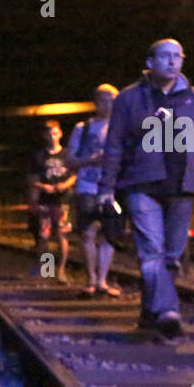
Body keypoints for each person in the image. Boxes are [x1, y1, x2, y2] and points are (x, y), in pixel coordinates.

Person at [97, 39, 194, 337]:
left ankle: (149, 311)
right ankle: (169, 312)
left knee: (171, 255)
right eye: (164, 56)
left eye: (177, 56)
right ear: (150, 62)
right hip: (141, 185)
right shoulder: (129, 98)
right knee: (152, 251)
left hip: (181, 185)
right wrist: (107, 186)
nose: (171, 62)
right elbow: (115, 144)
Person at [65, 84, 122, 297]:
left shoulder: (123, 127)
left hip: (114, 187)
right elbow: (70, 160)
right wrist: (91, 160)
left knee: (110, 234)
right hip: (88, 186)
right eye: (106, 100)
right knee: (88, 232)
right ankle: (89, 278)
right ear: (96, 102)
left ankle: (102, 281)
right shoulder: (83, 128)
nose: (110, 104)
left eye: (114, 100)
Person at [28, 120, 77, 281]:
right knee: (44, 236)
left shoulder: (68, 154)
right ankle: (47, 269)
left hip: (63, 200)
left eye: (55, 133)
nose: (52, 137)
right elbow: (32, 179)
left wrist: (65, 184)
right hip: (45, 200)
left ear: (60, 134)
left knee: (62, 235)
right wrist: (43, 187)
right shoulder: (39, 157)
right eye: (49, 134)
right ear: (45, 136)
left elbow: (75, 174)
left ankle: (61, 270)